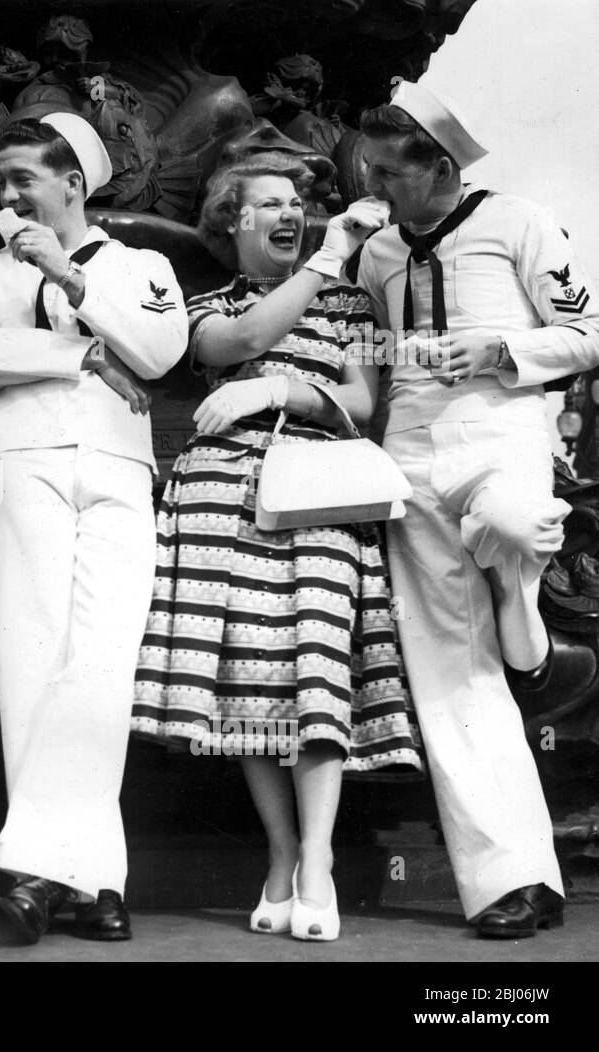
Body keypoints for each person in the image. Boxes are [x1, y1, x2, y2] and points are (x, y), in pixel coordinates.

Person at [133, 155, 423, 942]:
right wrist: (319, 275)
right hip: (224, 496)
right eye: (269, 202)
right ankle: (283, 854)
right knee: (251, 679)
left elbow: (363, 406)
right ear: (233, 220)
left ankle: (320, 861)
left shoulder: (351, 302)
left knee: (315, 670)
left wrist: (281, 391)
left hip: (320, 490)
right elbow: (241, 340)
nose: (290, 212)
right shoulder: (205, 303)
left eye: (297, 201)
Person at [355, 81, 599, 938]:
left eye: (390, 171)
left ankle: (520, 596)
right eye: (372, 169)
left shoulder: (521, 222)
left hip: (501, 433)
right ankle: (512, 881)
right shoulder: (376, 253)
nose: (376, 184)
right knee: (450, 672)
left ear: (440, 165)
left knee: (509, 523)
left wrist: (499, 349)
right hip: (410, 451)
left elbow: (590, 332)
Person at [0, 112, 188, 943]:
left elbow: (160, 351)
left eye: (23, 180)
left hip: (118, 469)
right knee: (32, 660)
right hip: (25, 466)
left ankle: (36, 869)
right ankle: (96, 881)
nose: (8, 196)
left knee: (100, 662)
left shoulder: (141, 265)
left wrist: (74, 281)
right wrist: (82, 356)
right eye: (2, 182)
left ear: (73, 185)